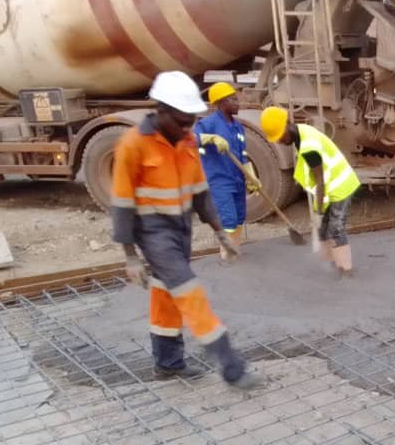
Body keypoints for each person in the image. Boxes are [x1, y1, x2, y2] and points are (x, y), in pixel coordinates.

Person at [111, 71, 260, 389]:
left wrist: (220, 233)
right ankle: (230, 364)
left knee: (167, 294)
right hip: (151, 231)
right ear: (161, 111)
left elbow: (200, 194)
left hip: (181, 228)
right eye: (181, 121)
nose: (187, 128)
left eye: (190, 121)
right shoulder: (133, 145)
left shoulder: (188, 140)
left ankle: (168, 364)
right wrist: (130, 256)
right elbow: (122, 202)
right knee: (189, 292)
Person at [260, 106, 360, 277]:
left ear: (287, 124)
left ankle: (347, 271)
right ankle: (332, 264)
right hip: (331, 185)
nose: (279, 141)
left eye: (279, 136)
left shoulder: (308, 146)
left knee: (336, 228)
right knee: (324, 229)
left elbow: (320, 180)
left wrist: (319, 211)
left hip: (340, 185)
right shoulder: (300, 132)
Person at [193, 82, 259, 260]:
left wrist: (251, 177)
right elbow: (191, 138)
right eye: (233, 100)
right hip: (219, 180)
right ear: (221, 103)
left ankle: (235, 250)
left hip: (237, 178)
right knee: (228, 218)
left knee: (239, 217)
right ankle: (226, 255)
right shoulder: (208, 123)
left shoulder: (238, 127)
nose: (238, 103)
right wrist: (210, 137)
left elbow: (243, 155)